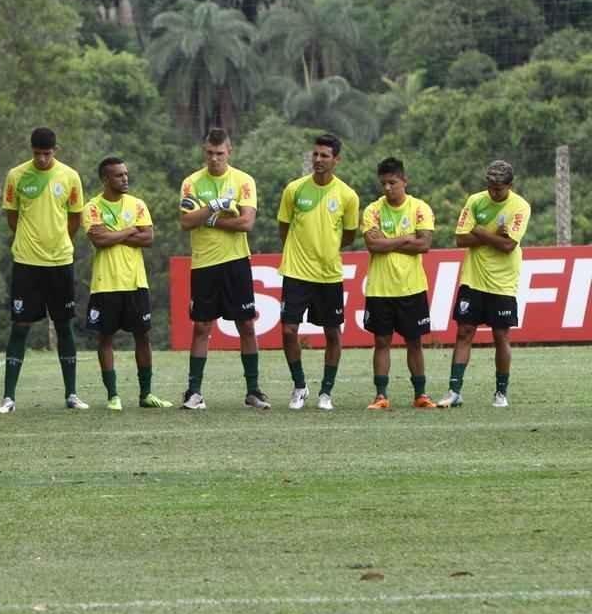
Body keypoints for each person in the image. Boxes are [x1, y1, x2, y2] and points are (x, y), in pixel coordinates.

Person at [0, 127, 87, 413]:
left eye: (47, 154)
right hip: (26, 262)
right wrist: (31, 240)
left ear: (55, 150)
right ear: (31, 150)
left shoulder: (70, 176)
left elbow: (74, 218)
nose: (43, 159)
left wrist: (58, 241)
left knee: (64, 325)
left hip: (60, 261)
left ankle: (72, 394)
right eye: (37, 154)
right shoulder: (16, 176)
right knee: (20, 327)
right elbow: (12, 216)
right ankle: (8, 397)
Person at [178, 128, 268, 410]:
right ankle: (194, 392)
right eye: (209, 153)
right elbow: (186, 221)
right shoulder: (191, 183)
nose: (214, 158)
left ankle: (253, 391)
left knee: (246, 325)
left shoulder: (243, 181)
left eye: (219, 153)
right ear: (204, 152)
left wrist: (210, 219)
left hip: (236, 261)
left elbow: (246, 223)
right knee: (202, 326)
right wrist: (216, 206)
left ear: (230, 151)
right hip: (204, 263)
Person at [277, 133, 359, 411]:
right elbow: (284, 229)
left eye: (325, 156)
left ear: (336, 160)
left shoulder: (347, 196)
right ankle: (300, 386)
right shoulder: (294, 190)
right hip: (296, 272)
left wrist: (326, 248)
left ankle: (326, 392)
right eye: (315, 154)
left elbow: (348, 235)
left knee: (333, 333)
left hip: (328, 275)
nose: (318, 160)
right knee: (289, 330)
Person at [438, 160, 530, 408]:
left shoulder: (520, 206)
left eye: (498, 187)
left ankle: (501, 393)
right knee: (464, 332)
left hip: (503, 282)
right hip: (473, 278)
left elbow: (508, 245)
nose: (493, 191)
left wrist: (479, 232)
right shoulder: (475, 201)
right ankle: (454, 391)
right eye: (490, 185)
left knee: (501, 336)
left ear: (510, 185)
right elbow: (460, 239)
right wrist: (493, 236)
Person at [83, 157, 169, 410]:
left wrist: (114, 234)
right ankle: (113, 396)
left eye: (126, 174)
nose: (125, 178)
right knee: (105, 338)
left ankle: (146, 394)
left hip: (135, 282)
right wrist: (130, 230)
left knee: (143, 336)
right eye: (119, 175)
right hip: (105, 283)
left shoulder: (137, 204)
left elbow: (148, 237)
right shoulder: (92, 207)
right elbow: (99, 240)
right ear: (105, 179)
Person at [361, 158, 437, 409]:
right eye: (383, 183)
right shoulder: (372, 210)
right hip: (380, 289)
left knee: (414, 342)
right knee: (381, 342)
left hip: (411, 287)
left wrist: (389, 241)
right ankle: (381, 395)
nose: (387, 188)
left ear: (405, 180)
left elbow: (424, 245)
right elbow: (373, 245)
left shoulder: (419, 209)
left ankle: (421, 395)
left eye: (392, 182)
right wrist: (406, 239)